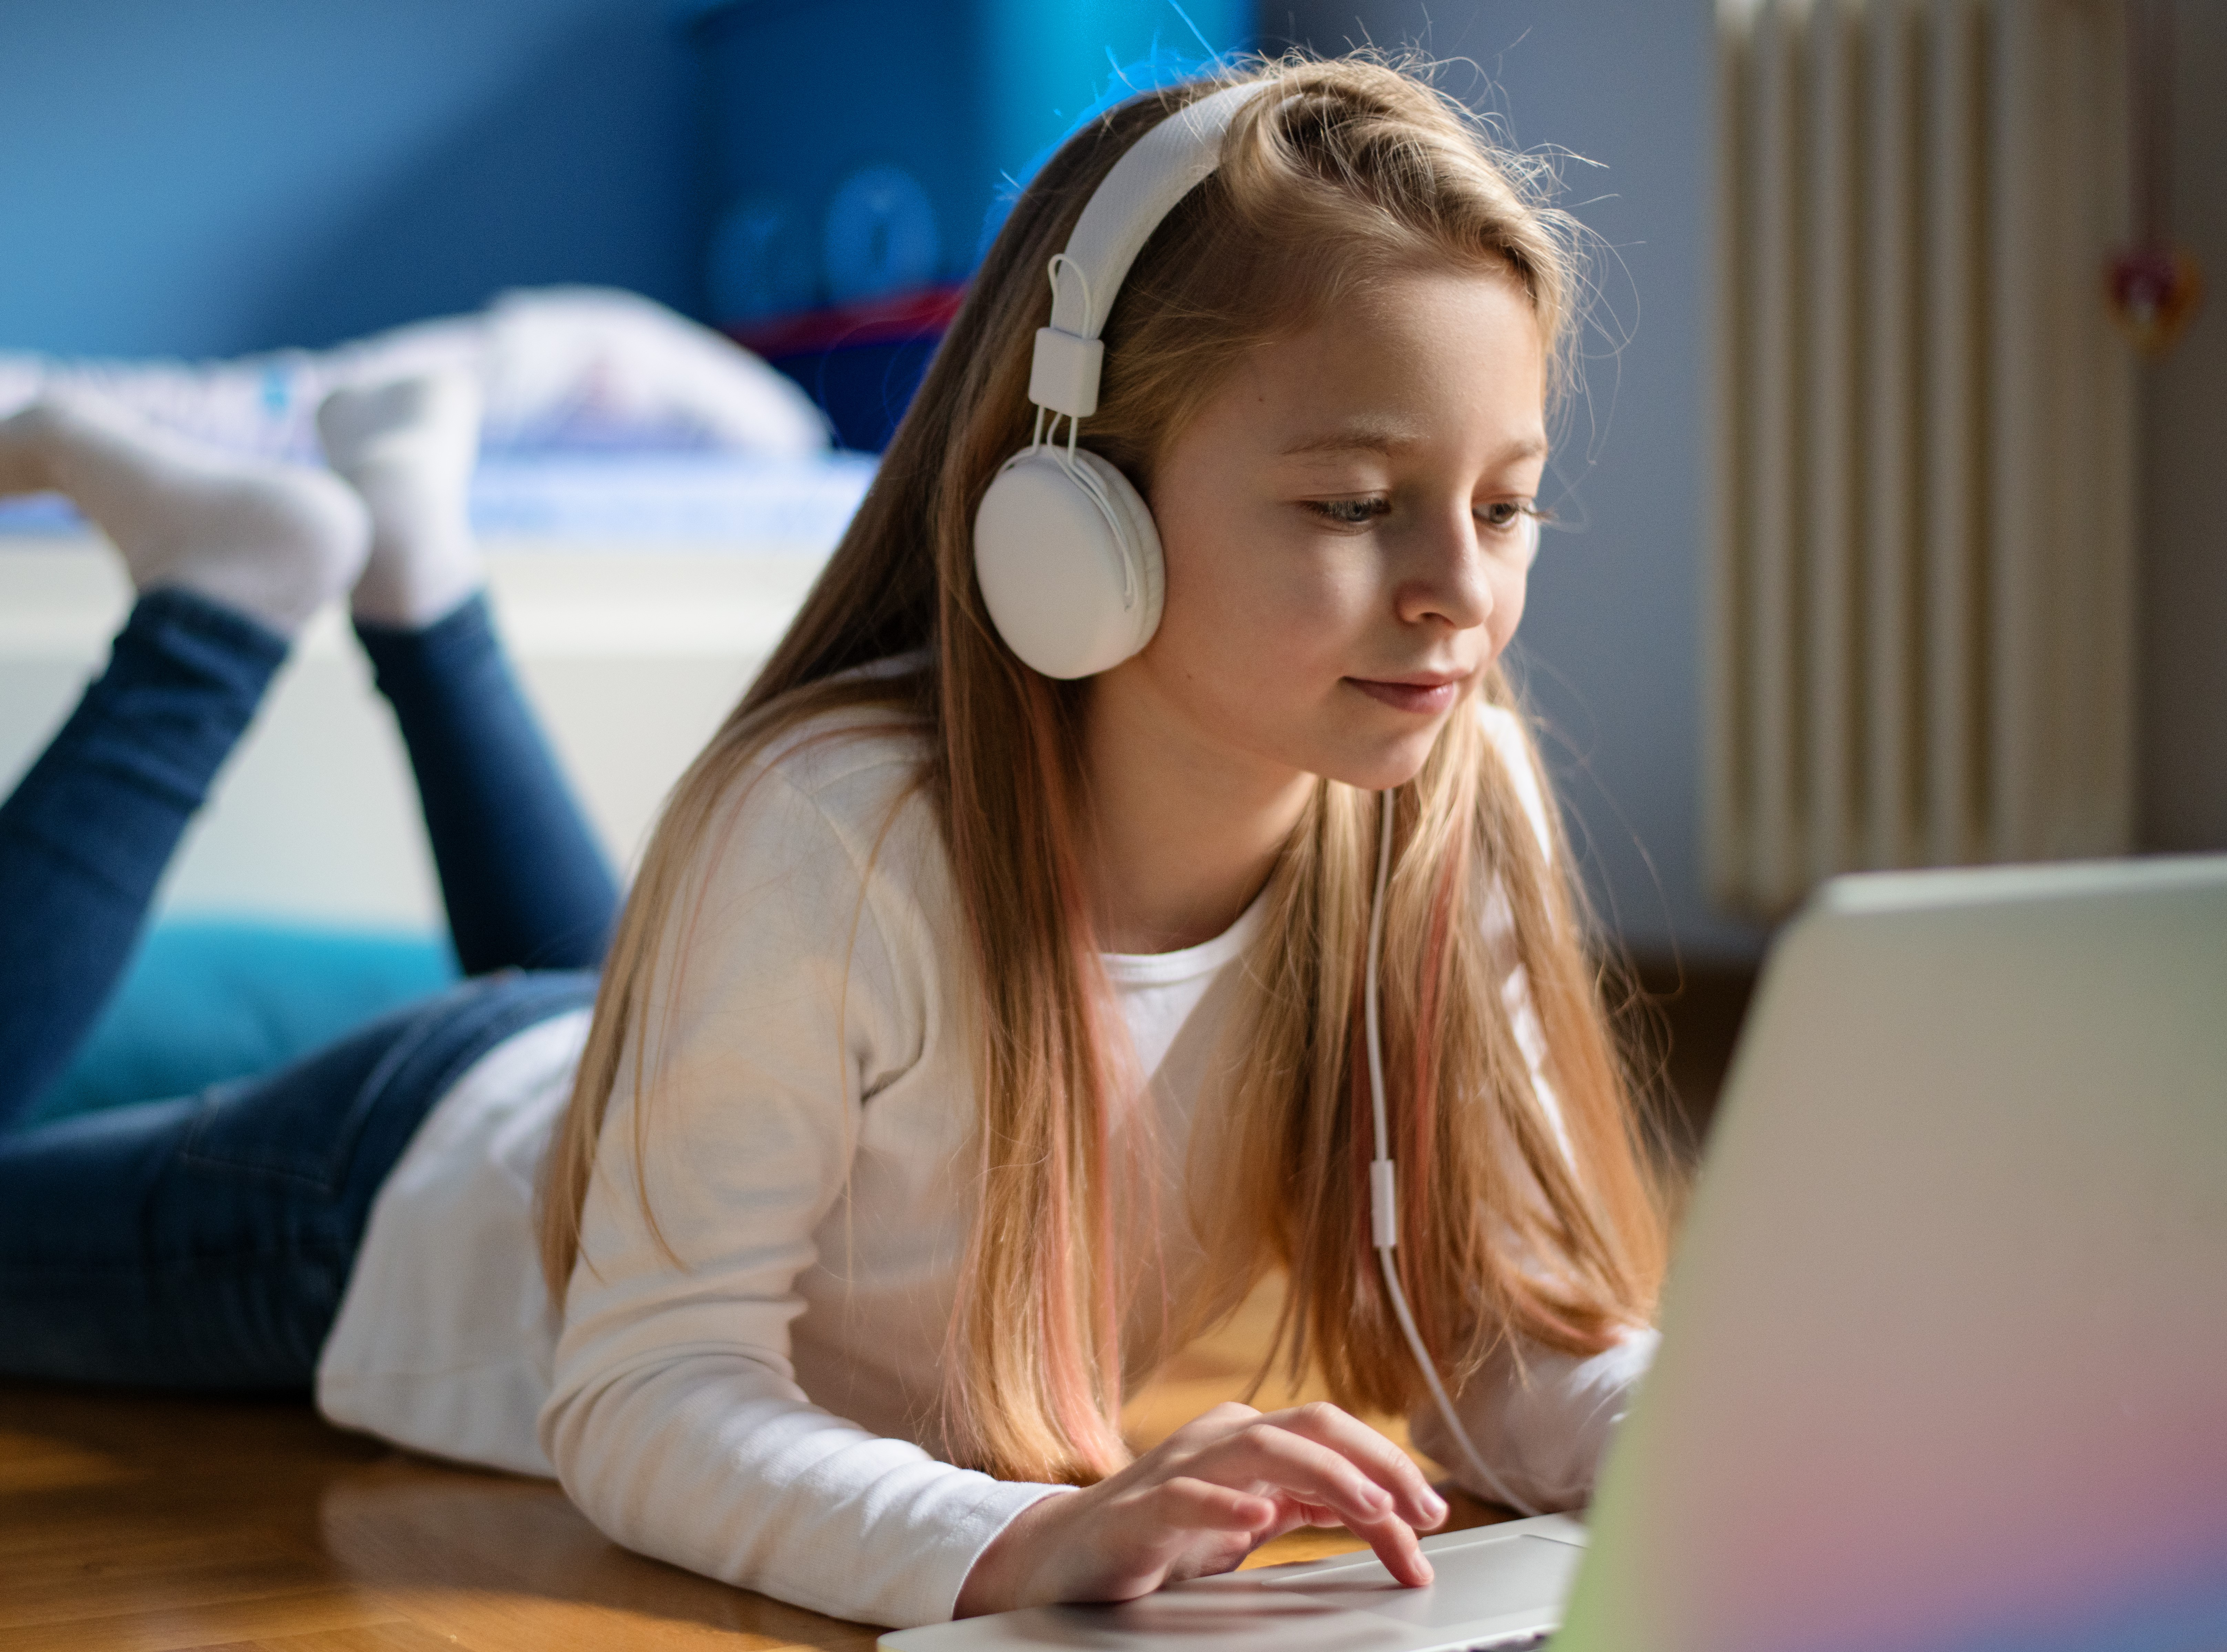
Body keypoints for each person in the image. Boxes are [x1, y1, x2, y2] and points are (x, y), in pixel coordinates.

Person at [0, 56, 1668, 1633]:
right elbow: (646, 1391)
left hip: (649, 1069)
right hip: (397, 1196)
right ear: (1070, 504)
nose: (1464, 591)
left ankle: (416, 578)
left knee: (672, 993)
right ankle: (223, 602)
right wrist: (1016, 1539)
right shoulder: (835, 830)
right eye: (1357, 502)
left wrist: (1688, 1423)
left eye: (1505, 502)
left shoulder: (1443, 805)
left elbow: (1490, 1342)